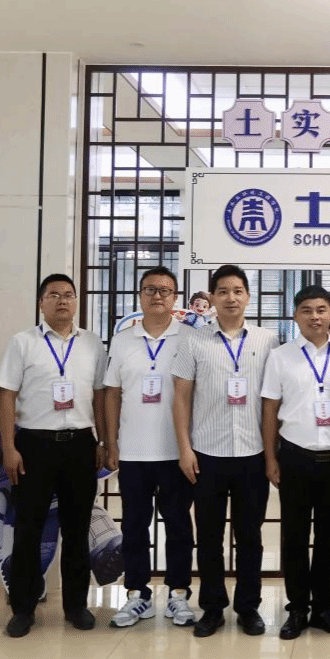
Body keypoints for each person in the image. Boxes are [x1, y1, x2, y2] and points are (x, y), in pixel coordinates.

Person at [0, 273, 108, 638]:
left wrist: (103, 441)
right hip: (34, 445)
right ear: (41, 303)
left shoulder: (92, 343)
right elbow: (6, 395)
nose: (62, 300)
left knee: (77, 529)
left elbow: (100, 396)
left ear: (76, 302)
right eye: (54, 295)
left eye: (69, 295)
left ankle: (76, 606)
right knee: (28, 529)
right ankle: (23, 608)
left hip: (80, 445)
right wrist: (9, 447)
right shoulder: (23, 342)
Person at [174, 264, 279, 637]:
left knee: (250, 537)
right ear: (211, 298)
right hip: (208, 454)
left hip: (252, 454)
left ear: (247, 296)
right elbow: (181, 398)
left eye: (237, 291)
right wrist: (185, 449)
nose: (231, 298)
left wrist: (272, 455)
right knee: (209, 537)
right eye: (223, 291)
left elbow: (275, 401)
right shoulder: (193, 341)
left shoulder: (268, 341)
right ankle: (212, 608)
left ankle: (248, 608)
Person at [102, 266, 196, 629]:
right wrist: (111, 442)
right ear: (140, 295)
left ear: (175, 298)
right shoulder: (123, 340)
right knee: (134, 526)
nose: (157, 296)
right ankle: (137, 594)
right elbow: (112, 394)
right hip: (134, 452)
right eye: (150, 289)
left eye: (165, 290)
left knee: (178, 526)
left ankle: (178, 594)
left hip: (176, 452)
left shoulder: (189, 338)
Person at [261, 285, 330, 640]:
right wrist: (271, 457)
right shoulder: (280, 356)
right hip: (295, 457)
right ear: (295, 316)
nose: (315, 317)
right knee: (295, 537)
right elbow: (270, 409)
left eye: (321, 310)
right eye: (307, 310)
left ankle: (324, 607)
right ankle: (297, 607)